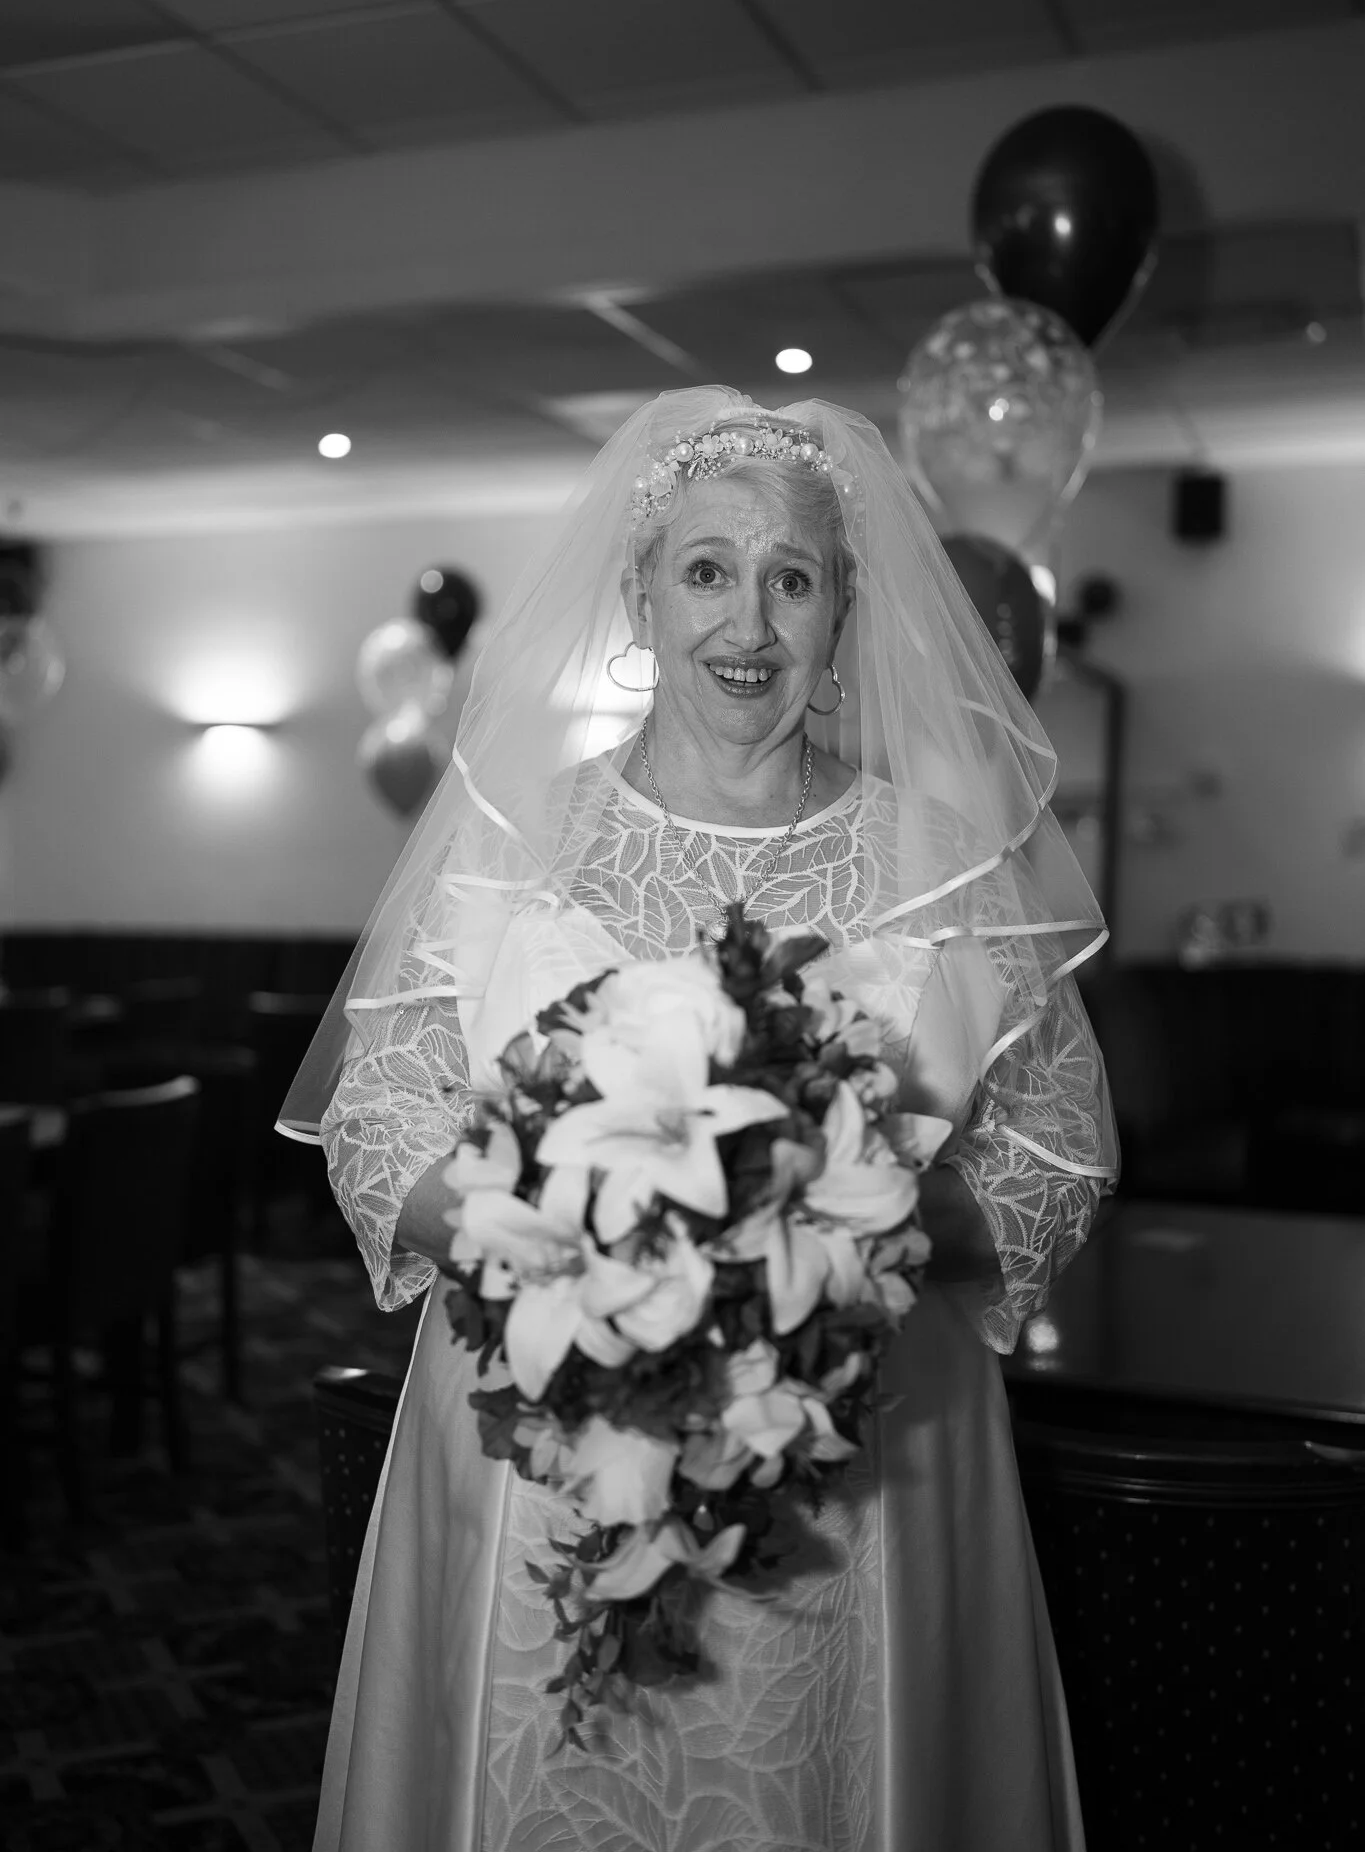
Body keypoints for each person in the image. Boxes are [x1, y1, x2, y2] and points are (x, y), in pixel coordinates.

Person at [281, 388, 1118, 1851]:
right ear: (643, 598)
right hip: (545, 1459)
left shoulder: (947, 867)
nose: (748, 623)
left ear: (843, 613)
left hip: (860, 1484)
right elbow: (379, 1124)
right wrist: (588, 1252)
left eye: (792, 580)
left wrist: (828, 1233)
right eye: (708, 571)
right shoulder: (507, 843)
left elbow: (1048, 1163)